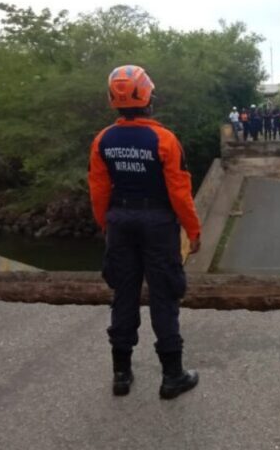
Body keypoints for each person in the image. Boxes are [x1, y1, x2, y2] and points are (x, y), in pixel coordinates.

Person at [88, 65, 201, 399]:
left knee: (123, 294)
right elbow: (179, 192)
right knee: (163, 295)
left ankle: (121, 375)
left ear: (114, 99)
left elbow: (98, 190)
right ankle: (172, 376)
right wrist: (193, 231)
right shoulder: (164, 139)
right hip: (158, 223)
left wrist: (105, 224)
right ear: (148, 95)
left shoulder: (103, 140)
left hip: (120, 221)